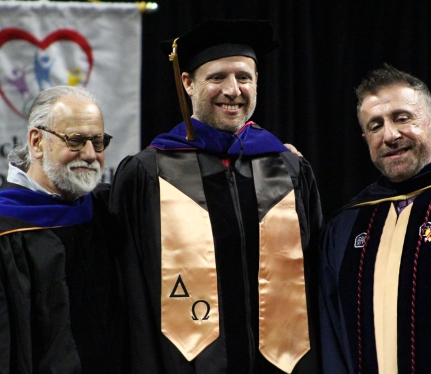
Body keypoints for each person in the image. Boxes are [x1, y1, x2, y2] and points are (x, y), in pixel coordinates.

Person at [109, 19, 323, 373]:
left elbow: (315, 282)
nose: (233, 89)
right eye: (217, 77)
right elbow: (130, 290)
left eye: (244, 77)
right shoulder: (150, 173)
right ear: (188, 83)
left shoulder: (288, 170)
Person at [319, 63, 431, 373]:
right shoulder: (346, 226)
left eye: (402, 118)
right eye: (375, 126)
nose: (389, 135)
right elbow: (333, 342)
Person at [0, 86, 127, 373]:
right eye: (75, 140)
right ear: (36, 142)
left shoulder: (106, 213)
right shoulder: (6, 228)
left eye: (98, 141)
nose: (90, 154)